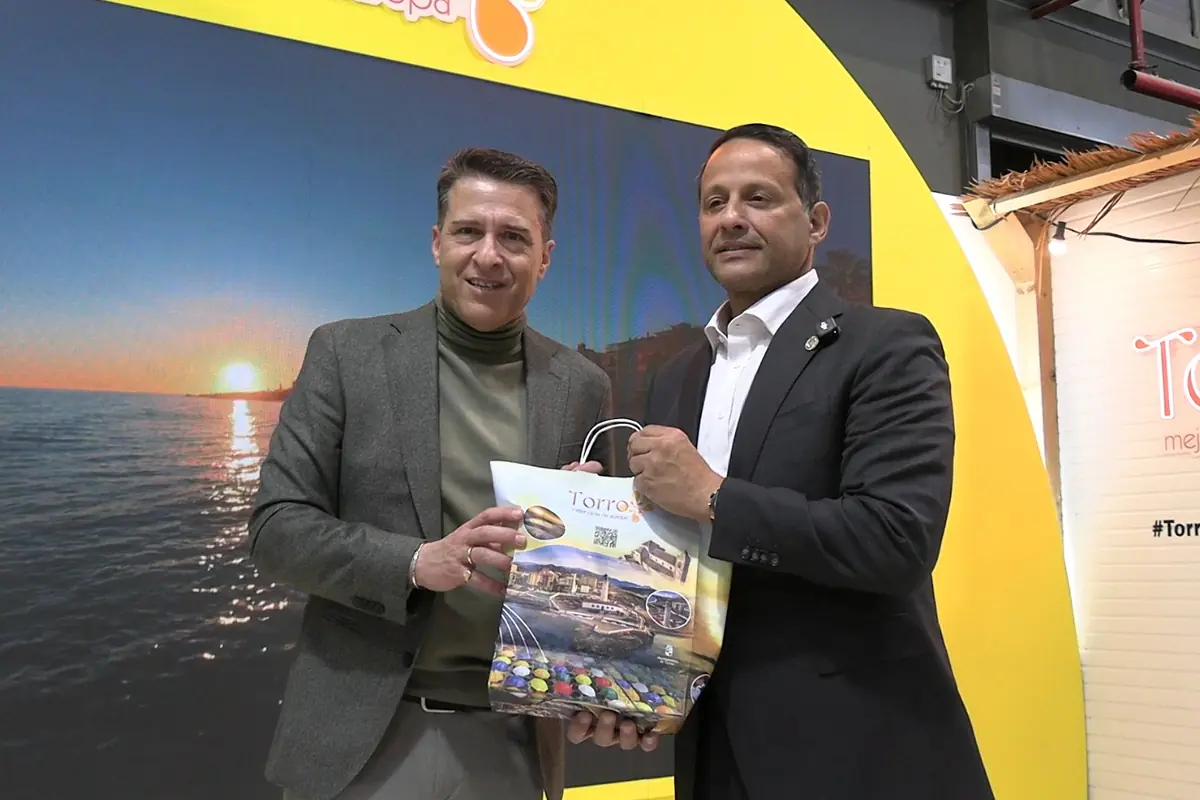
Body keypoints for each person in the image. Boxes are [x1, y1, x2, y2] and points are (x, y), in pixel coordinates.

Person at [568, 123, 995, 798]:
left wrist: (714, 496)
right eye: (715, 203)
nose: (732, 218)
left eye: (759, 198)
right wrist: (592, 526)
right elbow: (672, 555)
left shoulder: (886, 345)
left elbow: (896, 540)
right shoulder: (677, 375)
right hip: (710, 746)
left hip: (857, 747)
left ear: (816, 221)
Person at [248, 147, 618, 800]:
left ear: (546, 256)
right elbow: (277, 528)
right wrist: (418, 561)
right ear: (436, 241)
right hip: (362, 743)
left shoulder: (583, 387)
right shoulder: (346, 353)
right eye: (469, 231)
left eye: (514, 237)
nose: (489, 255)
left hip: (516, 745)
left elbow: (601, 583)